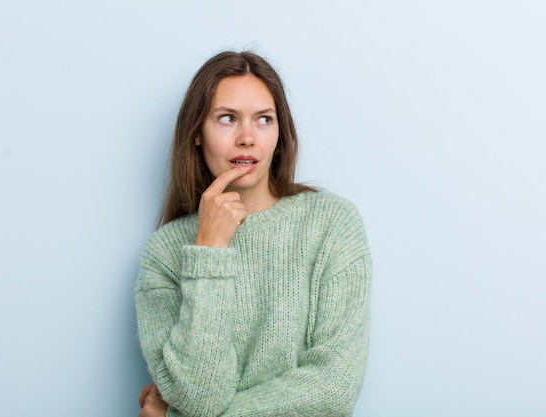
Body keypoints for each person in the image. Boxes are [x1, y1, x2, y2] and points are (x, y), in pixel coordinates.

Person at [135, 50, 371, 417]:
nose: (247, 138)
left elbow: (334, 386)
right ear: (197, 133)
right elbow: (200, 398)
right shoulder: (165, 254)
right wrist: (210, 251)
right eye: (227, 119)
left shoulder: (332, 225)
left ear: (280, 132)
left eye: (263, 119)